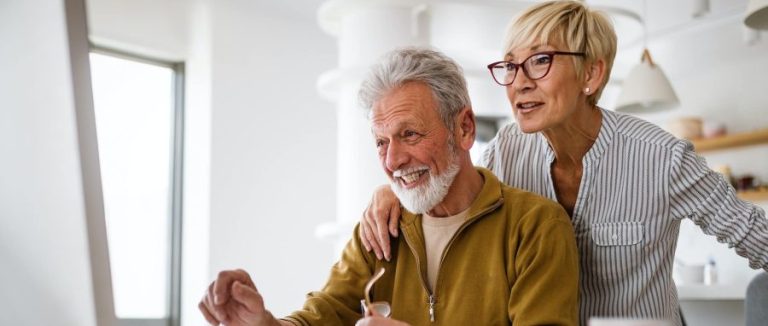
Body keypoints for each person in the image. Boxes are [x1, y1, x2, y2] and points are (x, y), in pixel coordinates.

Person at [358, 1, 768, 326]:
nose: (519, 81)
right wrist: (391, 191)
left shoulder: (663, 158)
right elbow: (452, 187)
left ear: (591, 73)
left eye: (540, 60)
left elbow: (756, 236)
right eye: (511, 65)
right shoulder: (506, 150)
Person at [199, 48, 580, 326]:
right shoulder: (380, 229)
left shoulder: (536, 227)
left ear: (463, 128)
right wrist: (265, 324)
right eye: (381, 142)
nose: (392, 161)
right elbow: (325, 314)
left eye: (409, 134)